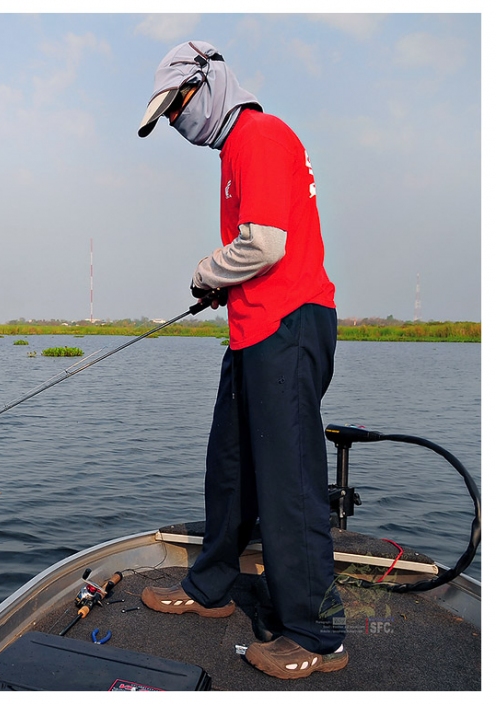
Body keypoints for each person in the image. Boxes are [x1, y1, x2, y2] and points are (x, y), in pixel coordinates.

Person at [135, 40, 346, 680]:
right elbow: (254, 251)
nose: (175, 121)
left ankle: (315, 631)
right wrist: (223, 287)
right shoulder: (234, 151)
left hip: (289, 324)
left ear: (210, 82)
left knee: (290, 482)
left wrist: (205, 272)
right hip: (253, 330)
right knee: (230, 467)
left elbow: (265, 245)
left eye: (178, 106)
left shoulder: (259, 136)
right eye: (168, 115)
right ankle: (212, 587)